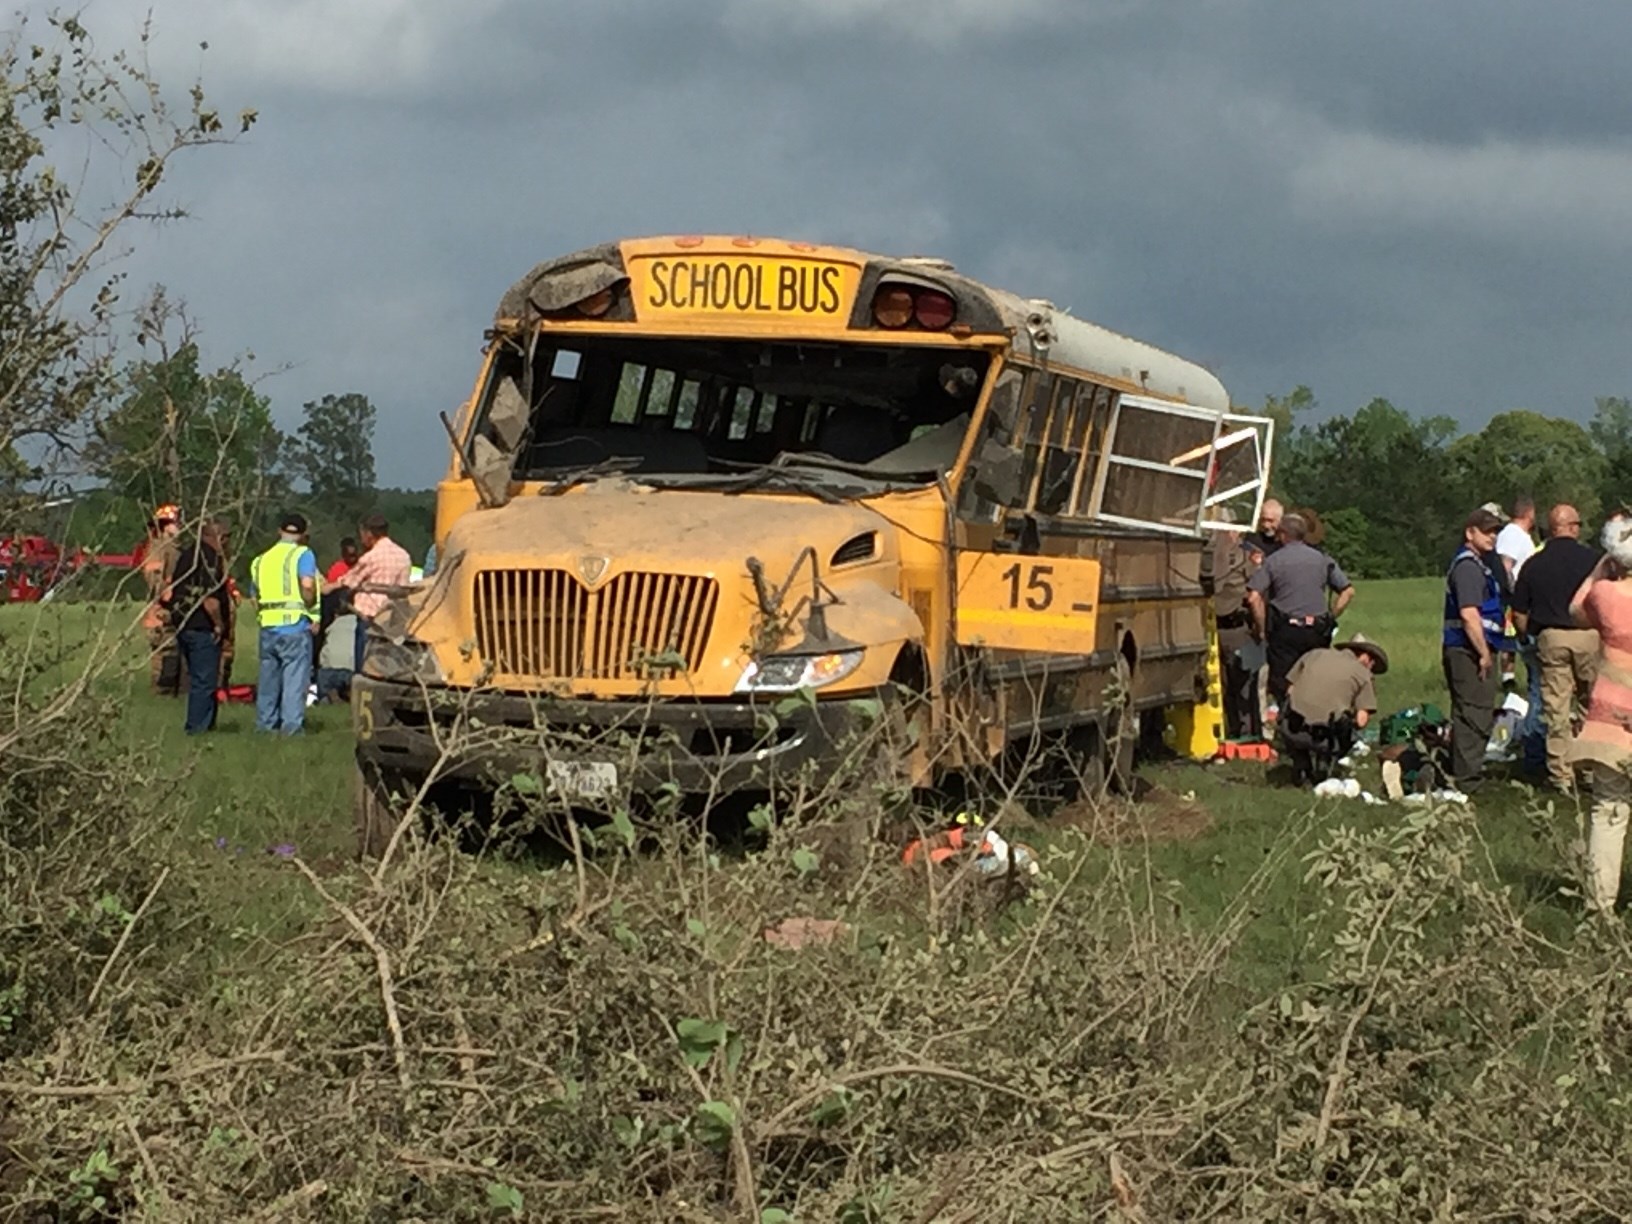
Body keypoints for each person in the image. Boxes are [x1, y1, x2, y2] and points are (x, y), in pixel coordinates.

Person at [1568, 512, 1632, 913]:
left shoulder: (1603, 595)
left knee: (1608, 809)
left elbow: (1575, 607)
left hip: (1609, 718)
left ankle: (1599, 904)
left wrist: (1601, 565)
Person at [1512, 504, 1600, 792]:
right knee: (1591, 706)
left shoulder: (1533, 564)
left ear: (1550, 529)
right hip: (1588, 635)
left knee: (1556, 709)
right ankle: (1588, 768)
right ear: (1573, 527)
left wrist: (1529, 637)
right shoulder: (1593, 561)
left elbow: (1519, 613)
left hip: (1551, 638)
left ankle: (1560, 774)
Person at [1246, 512, 1354, 704]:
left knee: (1283, 682)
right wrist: (1331, 616)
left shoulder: (1274, 561)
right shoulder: (1323, 559)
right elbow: (1348, 591)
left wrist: (1262, 630)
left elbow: (1254, 597)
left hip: (1285, 632)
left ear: (1284, 534)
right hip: (1317, 630)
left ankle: (1287, 718)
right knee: (1314, 679)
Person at [1443, 506, 1512, 791]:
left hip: (1469, 647)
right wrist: (1483, 653)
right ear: (1469, 533)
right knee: (1475, 713)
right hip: (1467, 650)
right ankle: (1467, 780)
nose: (1492, 537)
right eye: (1486, 531)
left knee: (1470, 711)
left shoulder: (1477, 564)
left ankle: (1463, 771)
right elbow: (1470, 614)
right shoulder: (1468, 568)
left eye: (1495, 531)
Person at [1278, 634, 1387, 784]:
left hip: (1291, 728)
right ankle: (1325, 763)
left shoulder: (1314, 654)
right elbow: (1362, 720)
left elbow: (1290, 690)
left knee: (1293, 709)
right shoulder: (1363, 674)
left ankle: (1301, 762)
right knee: (1346, 726)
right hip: (1324, 737)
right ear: (1366, 657)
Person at [250, 512, 320, 735]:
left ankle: (265, 725)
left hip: (267, 627)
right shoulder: (303, 554)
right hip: (294, 626)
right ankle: (291, 728)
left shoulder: (260, 560)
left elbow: (254, 597)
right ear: (302, 535)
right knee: (294, 680)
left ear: (279, 531)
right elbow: (307, 586)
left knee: (268, 680)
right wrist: (311, 609)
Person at [164, 518, 229, 735]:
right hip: (203, 627)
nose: (227, 543)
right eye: (225, 537)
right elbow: (209, 598)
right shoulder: (208, 558)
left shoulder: (188, 554)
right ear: (215, 536)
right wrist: (219, 624)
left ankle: (205, 725)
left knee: (198, 679)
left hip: (184, 624)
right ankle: (197, 728)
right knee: (205, 681)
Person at [333, 513, 412, 672]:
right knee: (387, 669)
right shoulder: (404, 556)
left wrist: (331, 586)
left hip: (369, 620)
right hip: (393, 620)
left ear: (369, 534)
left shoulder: (370, 558)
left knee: (365, 668)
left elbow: (349, 582)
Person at [1210, 526, 1261, 738]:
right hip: (1214, 628)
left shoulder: (1248, 556)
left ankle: (1248, 730)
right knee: (1222, 684)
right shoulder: (1209, 555)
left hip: (1240, 627)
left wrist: (1259, 628)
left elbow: (1256, 592)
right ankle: (1231, 729)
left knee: (1244, 682)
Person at [140, 505, 183, 696]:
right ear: (166, 525)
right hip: (161, 611)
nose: (180, 525)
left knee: (173, 656)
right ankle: (161, 694)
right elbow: (153, 575)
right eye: (176, 521)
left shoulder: (173, 548)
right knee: (164, 658)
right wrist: (166, 594)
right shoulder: (159, 547)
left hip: (173, 609)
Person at [316, 589, 359, 703]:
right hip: (350, 669)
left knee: (323, 674)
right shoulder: (358, 625)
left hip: (330, 669)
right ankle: (347, 695)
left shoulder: (332, 626)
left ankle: (326, 696)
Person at [1245, 498, 1283, 563]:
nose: (1266, 525)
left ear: (1280, 520)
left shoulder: (1285, 543)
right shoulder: (1251, 539)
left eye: (1270, 521)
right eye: (1263, 520)